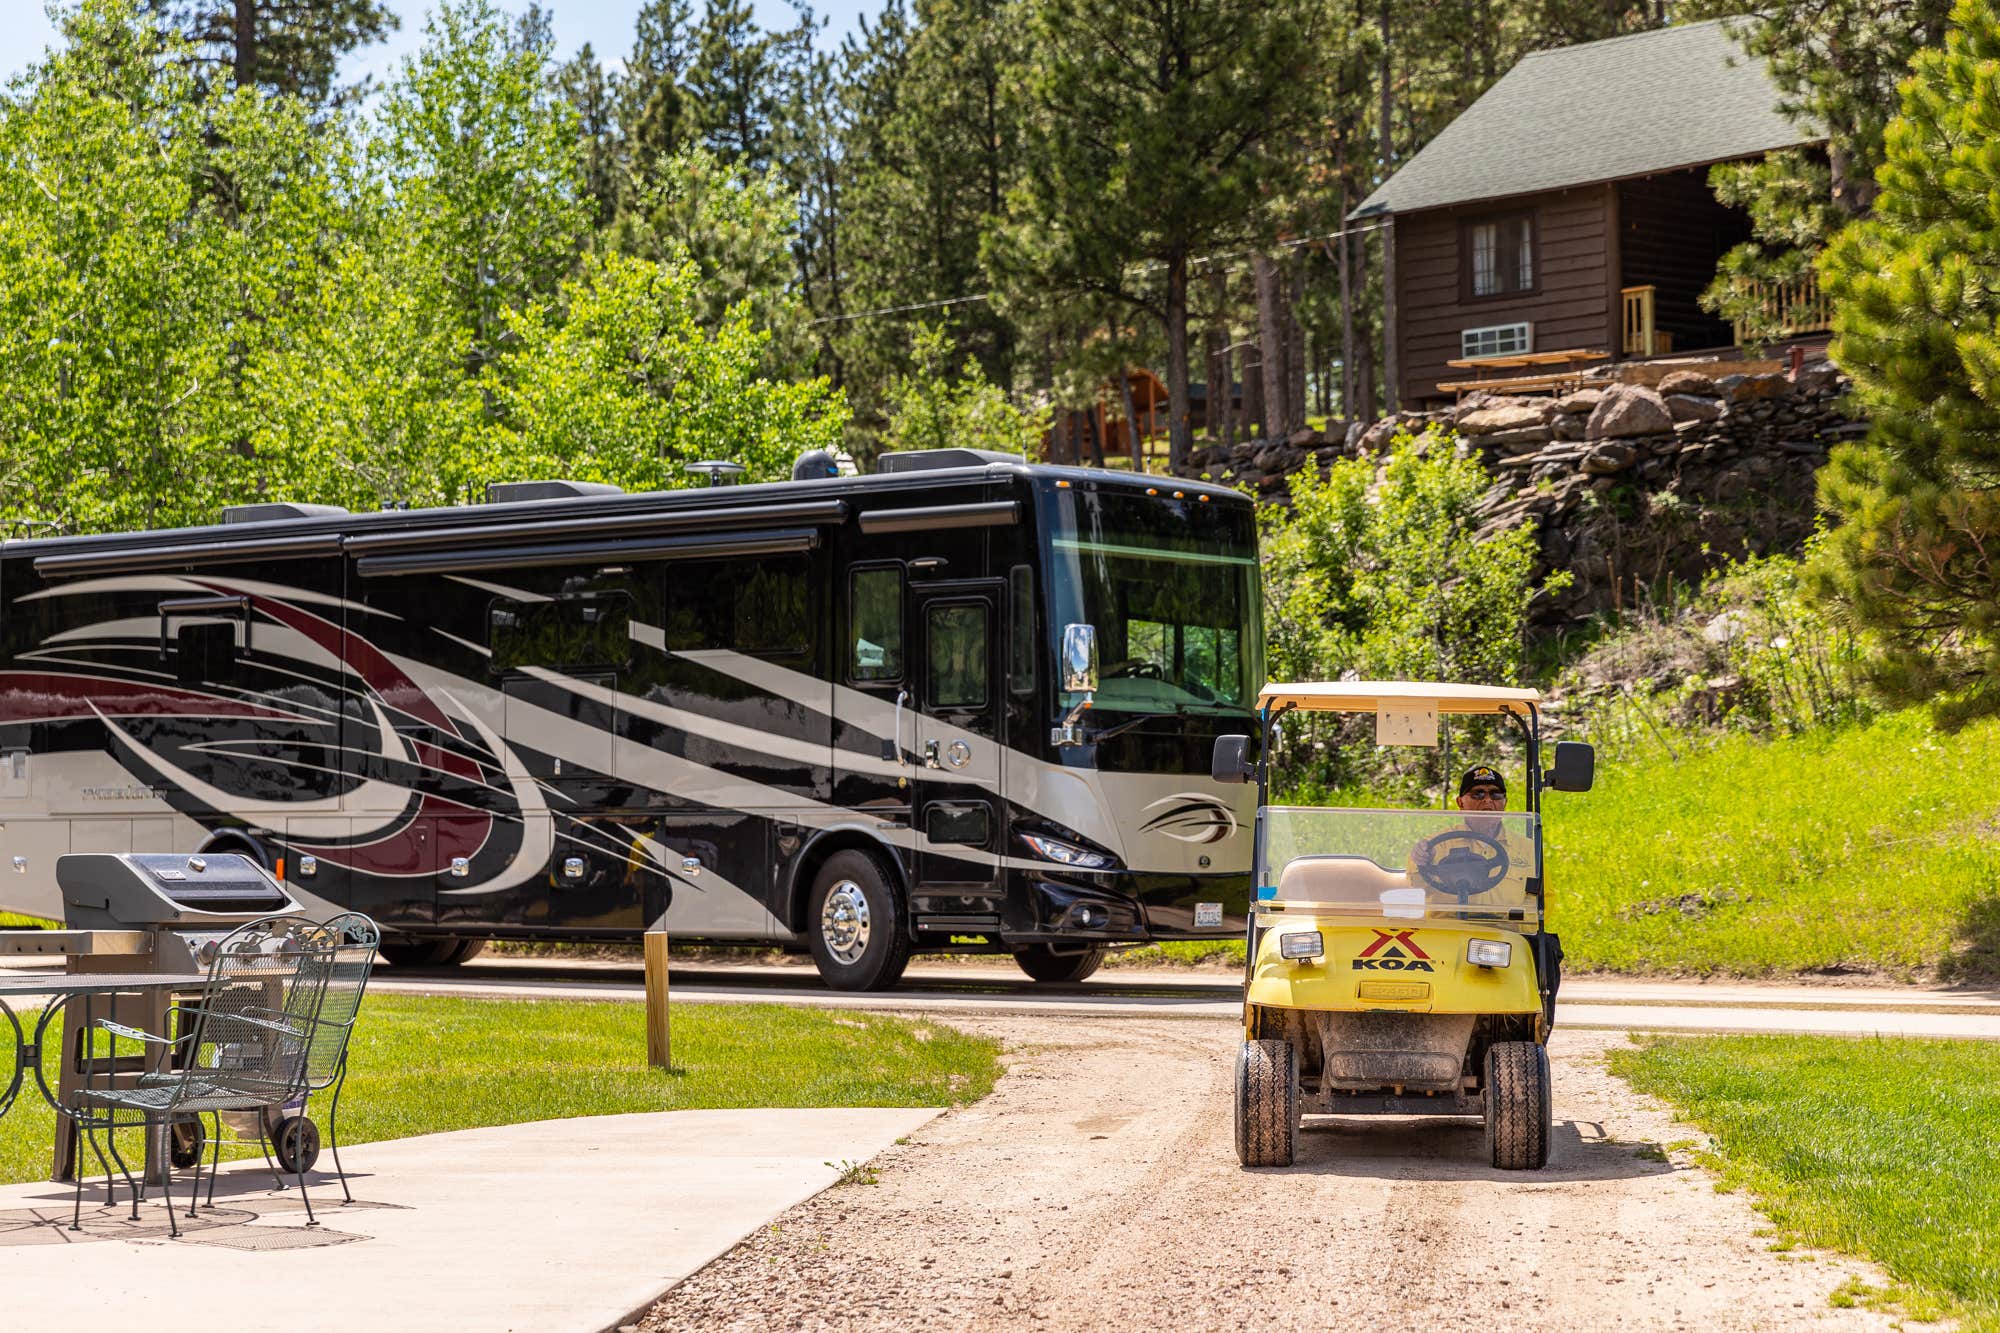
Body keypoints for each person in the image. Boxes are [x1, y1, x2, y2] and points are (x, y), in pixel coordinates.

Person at [1406, 765, 1536, 914]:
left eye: (1495, 794)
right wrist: (1420, 859)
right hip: (1453, 931)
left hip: (1505, 933)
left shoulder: (1528, 849)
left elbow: (1541, 898)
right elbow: (1417, 888)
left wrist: (1519, 929)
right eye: (1478, 794)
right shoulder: (1435, 845)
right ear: (1460, 803)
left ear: (1504, 802)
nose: (1487, 800)